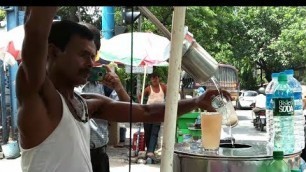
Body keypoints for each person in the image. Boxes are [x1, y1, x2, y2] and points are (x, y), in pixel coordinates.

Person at [17, 7, 231, 172]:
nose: (91, 63)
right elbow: (35, 33)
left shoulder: (85, 103)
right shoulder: (39, 98)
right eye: (83, 55)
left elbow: (147, 112)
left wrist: (196, 101)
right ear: (53, 53)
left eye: (93, 56)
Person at [77, 23, 130, 172]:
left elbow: (130, 113)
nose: (88, 62)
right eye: (82, 54)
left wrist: (118, 88)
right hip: (70, 158)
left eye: (92, 55)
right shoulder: (59, 85)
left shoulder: (104, 84)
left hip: (98, 156)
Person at [137, 73, 167, 163]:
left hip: (158, 114)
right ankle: (149, 151)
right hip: (148, 113)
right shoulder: (148, 88)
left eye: (156, 78)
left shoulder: (163, 87)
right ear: (151, 80)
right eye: (153, 79)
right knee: (148, 133)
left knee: (155, 133)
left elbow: (171, 94)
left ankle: (150, 152)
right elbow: (140, 96)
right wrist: (141, 105)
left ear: (159, 79)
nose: (155, 80)